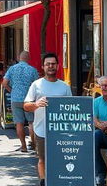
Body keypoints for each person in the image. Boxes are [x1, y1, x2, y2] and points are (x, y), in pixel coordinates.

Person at [24, 52, 72, 186]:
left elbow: (72, 107)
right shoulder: (36, 85)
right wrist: (36, 104)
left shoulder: (65, 86)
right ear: (43, 67)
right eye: (48, 64)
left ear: (57, 66)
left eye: (53, 64)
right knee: (42, 159)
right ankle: (43, 182)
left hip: (61, 130)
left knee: (60, 159)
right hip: (41, 129)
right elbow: (26, 106)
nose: (50, 66)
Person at [3, 50, 40, 152]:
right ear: (28, 59)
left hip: (15, 99)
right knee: (31, 122)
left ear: (19, 58)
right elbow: (37, 84)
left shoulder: (12, 69)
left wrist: (12, 91)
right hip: (29, 99)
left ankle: (23, 146)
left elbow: (4, 83)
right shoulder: (32, 70)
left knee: (19, 123)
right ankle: (34, 145)